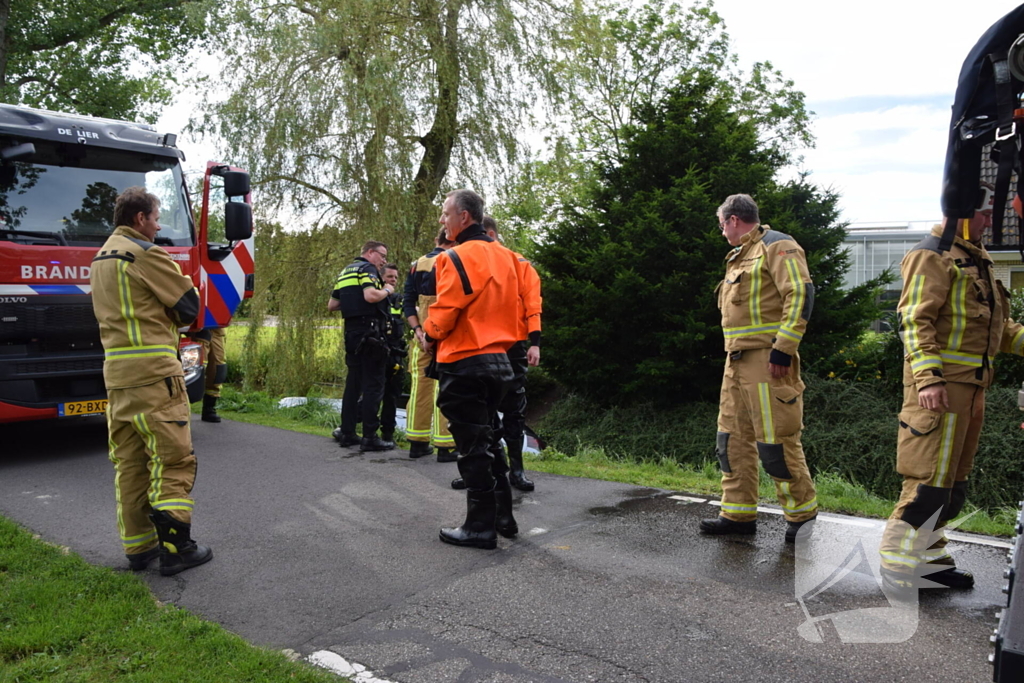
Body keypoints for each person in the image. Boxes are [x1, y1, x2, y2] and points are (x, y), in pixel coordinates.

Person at [879, 183, 1024, 590]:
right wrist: (928, 380)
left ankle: (932, 561)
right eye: (983, 214)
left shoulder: (975, 259)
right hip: (940, 391)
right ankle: (897, 569)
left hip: (972, 391)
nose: (988, 221)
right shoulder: (932, 255)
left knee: (952, 484)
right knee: (926, 484)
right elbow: (913, 321)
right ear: (962, 214)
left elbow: (998, 328)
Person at [90, 186, 212, 576]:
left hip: (117, 376)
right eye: (157, 218)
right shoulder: (144, 253)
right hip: (155, 375)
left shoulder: (100, 259)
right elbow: (189, 307)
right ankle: (178, 549)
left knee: (130, 464)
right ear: (140, 218)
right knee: (172, 460)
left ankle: (139, 548)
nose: (159, 227)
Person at [700, 194, 818, 543]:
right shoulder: (740, 254)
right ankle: (737, 515)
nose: (722, 232)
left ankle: (802, 517)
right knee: (731, 441)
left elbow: (800, 294)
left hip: (768, 363)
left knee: (776, 443)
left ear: (734, 220)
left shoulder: (776, 245)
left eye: (722, 224)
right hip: (735, 362)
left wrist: (783, 350)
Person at [424, 189, 522, 549]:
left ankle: (479, 526)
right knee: (489, 438)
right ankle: (503, 516)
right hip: (500, 361)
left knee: (472, 447)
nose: (442, 219)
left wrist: (428, 335)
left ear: (464, 217)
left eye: (446, 213)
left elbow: (446, 311)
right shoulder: (510, 258)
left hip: (463, 360)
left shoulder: (454, 257)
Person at [452, 216, 541, 491]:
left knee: (513, 410)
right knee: (480, 410)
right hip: (481, 343)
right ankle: (481, 469)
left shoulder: (519, 263)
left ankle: (516, 470)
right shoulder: (472, 260)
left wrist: (534, 341)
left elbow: (532, 302)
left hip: (510, 344)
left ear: (489, 233)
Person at [329, 241, 395, 452]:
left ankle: (347, 432)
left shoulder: (346, 271)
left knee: (353, 384)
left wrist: (353, 303)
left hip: (351, 333)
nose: (383, 261)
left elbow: (333, 305)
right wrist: (387, 290)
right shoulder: (367, 269)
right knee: (373, 385)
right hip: (370, 333)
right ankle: (370, 436)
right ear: (369, 252)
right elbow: (370, 295)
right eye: (382, 256)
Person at [403, 229, 459, 461]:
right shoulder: (454, 261)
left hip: (421, 337)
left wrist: (418, 331)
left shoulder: (417, 264)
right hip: (447, 335)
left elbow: (408, 301)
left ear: (437, 240)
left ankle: (417, 443)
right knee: (446, 386)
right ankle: (446, 445)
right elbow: (451, 302)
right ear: (454, 240)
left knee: (420, 386)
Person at [379, 263, 407, 447]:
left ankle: (387, 434)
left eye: (396, 277)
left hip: (396, 356)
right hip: (378, 354)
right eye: (390, 277)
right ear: (381, 278)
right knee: (372, 394)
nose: (394, 280)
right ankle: (364, 428)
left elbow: (413, 313)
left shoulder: (398, 300)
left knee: (392, 396)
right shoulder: (374, 299)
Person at [198, 326, 227, 423]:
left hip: (215, 327)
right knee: (196, 365)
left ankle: (209, 408)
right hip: (195, 325)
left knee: (217, 368)